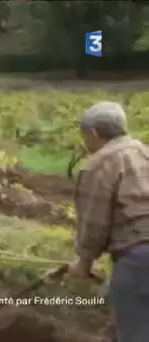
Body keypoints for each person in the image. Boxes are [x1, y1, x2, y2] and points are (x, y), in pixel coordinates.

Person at [66, 101, 149, 342]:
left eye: (85, 137)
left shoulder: (101, 163)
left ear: (94, 134)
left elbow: (94, 221)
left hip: (139, 261)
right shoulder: (145, 152)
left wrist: (83, 263)